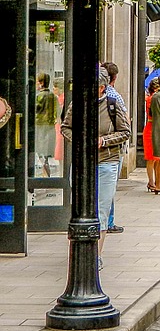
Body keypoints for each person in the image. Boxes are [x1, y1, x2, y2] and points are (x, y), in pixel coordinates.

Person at [61, 66, 131, 270]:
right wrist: (80, 141)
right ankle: (77, 252)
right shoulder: (78, 105)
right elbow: (66, 127)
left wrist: (104, 140)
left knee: (101, 210)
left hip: (107, 163)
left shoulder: (112, 104)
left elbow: (125, 132)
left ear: (102, 88)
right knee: (79, 208)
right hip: (82, 162)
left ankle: (95, 256)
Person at [103, 62, 127, 234]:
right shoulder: (115, 98)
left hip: (103, 149)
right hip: (112, 151)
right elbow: (126, 126)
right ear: (115, 77)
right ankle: (108, 221)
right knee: (109, 187)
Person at [35, 73, 59, 177]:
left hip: (40, 126)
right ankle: (45, 169)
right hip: (50, 126)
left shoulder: (39, 96)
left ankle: (44, 170)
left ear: (41, 83)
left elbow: (35, 110)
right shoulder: (53, 96)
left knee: (40, 150)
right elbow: (57, 111)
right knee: (47, 151)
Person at [143, 77, 160, 192]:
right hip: (151, 128)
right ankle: (151, 181)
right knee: (151, 158)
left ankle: (155, 181)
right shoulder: (151, 98)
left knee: (157, 158)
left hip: (155, 128)